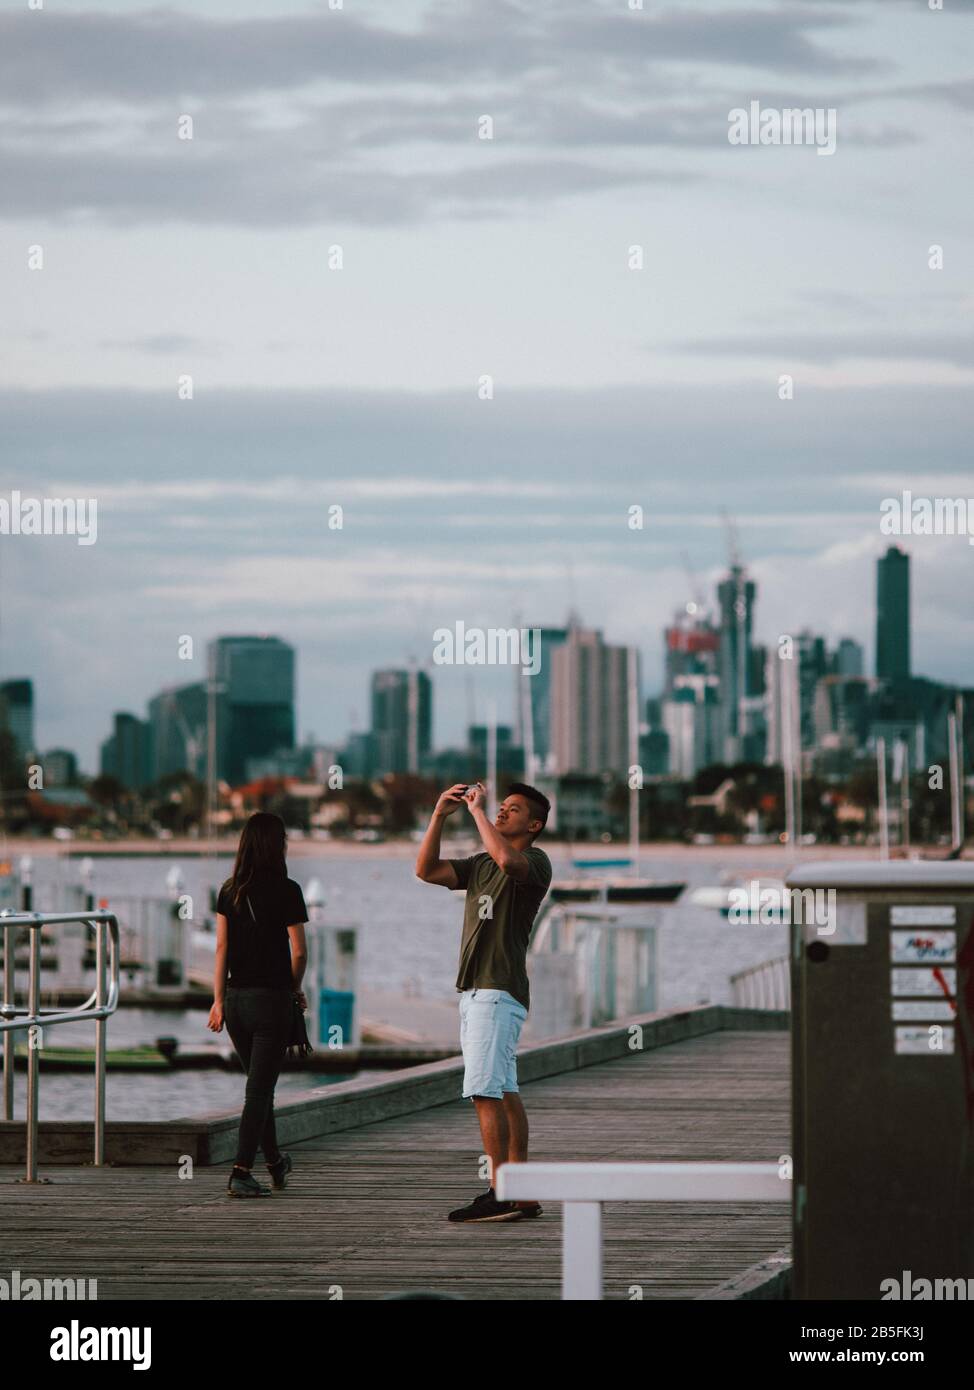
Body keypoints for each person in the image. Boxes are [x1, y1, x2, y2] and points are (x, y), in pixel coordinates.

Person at [415, 780, 552, 1223]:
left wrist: (475, 813)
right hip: (479, 991)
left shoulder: (534, 861)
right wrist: (439, 814)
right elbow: (426, 870)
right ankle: (523, 1190)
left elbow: (509, 860)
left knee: (484, 1092)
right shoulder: (478, 865)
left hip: (496, 989)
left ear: (534, 825)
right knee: (505, 1090)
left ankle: (501, 1191)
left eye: (512, 810)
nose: (501, 812)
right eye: (501, 807)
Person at [207, 811, 309, 1198]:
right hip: (270, 1003)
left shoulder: (229, 890)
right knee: (259, 1090)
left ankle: (274, 1162)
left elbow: (221, 948)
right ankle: (240, 1170)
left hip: (235, 1003)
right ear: (276, 845)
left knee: (259, 1087)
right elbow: (299, 952)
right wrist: (294, 988)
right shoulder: (288, 890)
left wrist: (217, 1001)